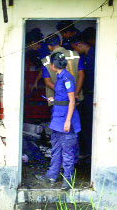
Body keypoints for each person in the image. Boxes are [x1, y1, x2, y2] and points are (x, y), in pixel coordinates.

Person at [37, 52, 81, 189]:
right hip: (57, 119)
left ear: (53, 65)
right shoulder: (60, 76)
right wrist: (54, 100)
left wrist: (68, 121)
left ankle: (67, 181)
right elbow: (63, 98)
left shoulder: (67, 78)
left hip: (66, 120)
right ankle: (52, 175)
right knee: (56, 148)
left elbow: (72, 100)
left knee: (67, 152)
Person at [70, 33, 96, 160]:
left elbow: (84, 77)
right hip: (88, 94)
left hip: (91, 95)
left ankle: (88, 152)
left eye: (75, 48)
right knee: (85, 124)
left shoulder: (93, 56)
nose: (75, 51)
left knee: (88, 125)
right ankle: (87, 151)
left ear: (79, 45)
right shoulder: (87, 56)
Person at [41, 34, 84, 103]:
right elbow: (81, 75)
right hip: (76, 98)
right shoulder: (75, 55)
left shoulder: (46, 61)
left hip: (58, 100)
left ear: (49, 47)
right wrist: (75, 94)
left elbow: (48, 82)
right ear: (61, 42)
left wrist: (64, 94)